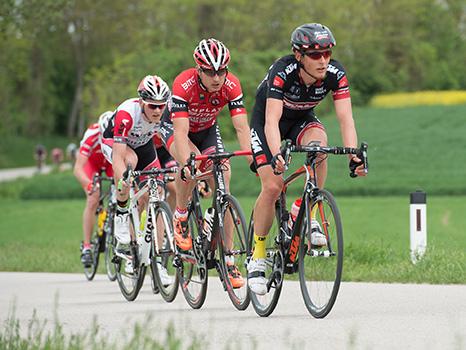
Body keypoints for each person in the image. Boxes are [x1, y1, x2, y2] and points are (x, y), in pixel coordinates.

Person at [247, 23, 367, 295]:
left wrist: (353, 155)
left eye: (326, 53)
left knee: (320, 149)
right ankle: (258, 254)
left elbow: (346, 118)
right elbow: (271, 120)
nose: (323, 60)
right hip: (268, 125)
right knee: (273, 186)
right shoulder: (283, 70)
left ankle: (307, 210)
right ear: (299, 55)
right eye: (315, 55)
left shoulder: (335, 73)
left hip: (301, 120)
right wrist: (277, 155)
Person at [159, 38, 252, 288]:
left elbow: (242, 127)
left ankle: (229, 260)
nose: (217, 77)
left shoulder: (231, 85)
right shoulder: (184, 84)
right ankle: (180, 216)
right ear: (199, 70)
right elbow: (180, 133)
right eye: (210, 72)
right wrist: (188, 162)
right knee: (190, 165)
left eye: (222, 71)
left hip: (208, 129)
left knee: (224, 177)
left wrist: (254, 158)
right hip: (176, 128)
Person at [101, 75, 170, 248]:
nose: (157, 111)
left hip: (143, 145)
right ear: (141, 102)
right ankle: (122, 213)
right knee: (130, 161)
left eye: (161, 106)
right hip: (114, 143)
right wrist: (124, 178)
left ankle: (156, 254)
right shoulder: (127, 114)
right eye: (152, 106)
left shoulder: (166, 113)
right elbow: (118, 156)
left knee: (157, 192)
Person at [74, 111, 114, 267]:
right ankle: (86, 246)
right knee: (93, 198)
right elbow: (78, 168)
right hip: (92, 163)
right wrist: (89, 185)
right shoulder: (92, 135)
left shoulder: (119, 132)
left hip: (110, 161)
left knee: (120, 191)